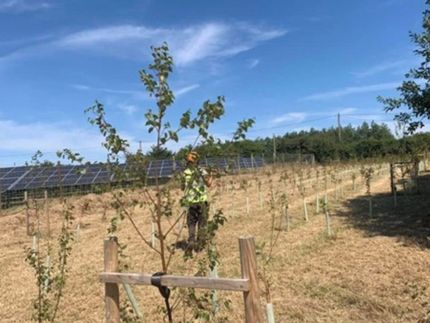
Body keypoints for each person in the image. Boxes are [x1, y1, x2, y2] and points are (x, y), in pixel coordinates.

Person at [181, 151, 212, 252]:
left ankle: (191, 241)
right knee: (202, 223)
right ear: (197, 161)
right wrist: (211, 176)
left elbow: (182, 187)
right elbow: (208, 184)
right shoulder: (202, 171)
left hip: (191, 202)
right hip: (202, 201)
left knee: (191, 223)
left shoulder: (184, 173)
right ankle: (200, 245)